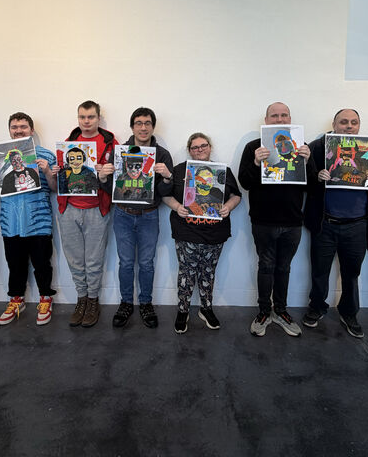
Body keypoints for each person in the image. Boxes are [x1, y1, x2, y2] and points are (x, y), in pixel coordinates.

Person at [302, 109, 368, 339]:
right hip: (325, 223)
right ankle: (317, 306)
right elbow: (304, 183)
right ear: (334, 123)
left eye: (354, 122)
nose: (349, 126)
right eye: (344, 122)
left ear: (359, 125)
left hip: (357, 224)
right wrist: (317, 178)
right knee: (320, 270)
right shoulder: (319, 147)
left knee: (352, 273)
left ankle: (349, 312)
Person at [238, 102, 309, 338]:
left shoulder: (302, 148)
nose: (279, 119)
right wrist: (257, 163)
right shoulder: (253, 147)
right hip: (263, 220)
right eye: (274, 116)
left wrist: (309, 162)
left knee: (284, 268)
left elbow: (316, 185)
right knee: (266, 266)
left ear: (290, 119)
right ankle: (263, 312)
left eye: (284, 115)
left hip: (292, 221)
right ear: (266, 120)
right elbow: (245, 183)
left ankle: (281, 310)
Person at [0, 112, 58, 327]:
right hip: (10, 221)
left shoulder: (45, 155)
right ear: (9, 130)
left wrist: (47, 172)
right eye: (15, 127)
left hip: (39, 220)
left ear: (31, 130)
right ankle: (16, 300)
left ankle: (46, 298)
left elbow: (55, 189)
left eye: (23, 127)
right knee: (14, 264)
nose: (19, 130)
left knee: (42, 264)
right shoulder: (1, 157)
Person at [163, 133, 241, 334]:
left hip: (215, 232)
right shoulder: (180, 170)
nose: (199, 150)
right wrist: (177, 206)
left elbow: (237, 195)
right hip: (186, 231)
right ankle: (183, 310)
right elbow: (164, 194)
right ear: (189, 150)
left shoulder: (222, 172)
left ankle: (206, 309)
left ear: (210, 147)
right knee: (186, 273)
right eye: (195, 147)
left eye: (203, 146)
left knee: (208, 272)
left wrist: (228, 207)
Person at [103, 107, 173, 329]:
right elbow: (109, 189)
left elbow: (164, 192)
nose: (143, 127)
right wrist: (103, 177)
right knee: (125, 262)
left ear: (153, 126)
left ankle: (145, 303)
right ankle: (126, 303)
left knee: (146, 263)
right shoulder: (120, 152)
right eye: (139, 123)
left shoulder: (162, 154)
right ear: (132, 126)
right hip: (123, 214)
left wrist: (168, 177)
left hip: (149, 216)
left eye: (148, 123)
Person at [52, 100, 117, 328]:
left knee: (94, 259)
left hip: (97, 210)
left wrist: (107, 172)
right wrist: (56, 172)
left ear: (99, 118)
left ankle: (93, 300)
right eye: (82, 117)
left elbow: (121, 176)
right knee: (75, 259)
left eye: (90, 117)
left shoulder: (110, 143)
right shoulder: (68, 144)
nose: (86, 121)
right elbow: (59, 180)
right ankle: (81, 298)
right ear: (78, 119)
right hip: (69, 208)